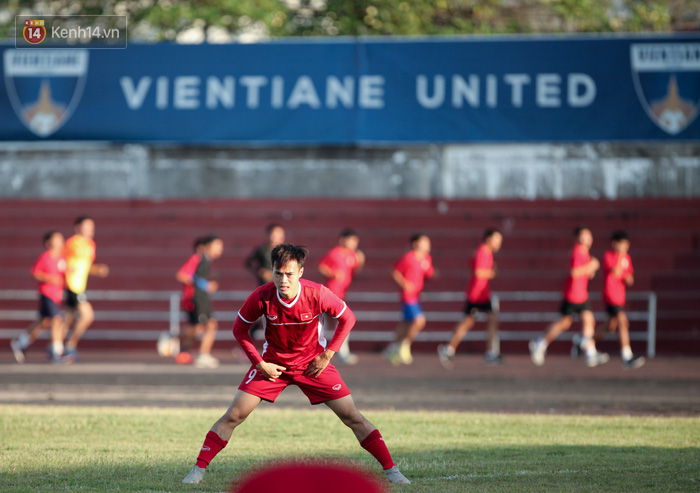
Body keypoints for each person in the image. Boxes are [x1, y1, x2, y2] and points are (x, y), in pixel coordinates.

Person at [182, 243, 410, 485]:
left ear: (300, 272)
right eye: (278, 273)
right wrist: (260, 364)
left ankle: (392, 471)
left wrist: (328, 354)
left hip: (313, 365)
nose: (284, 280)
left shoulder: (317, 293)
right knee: (233, 415)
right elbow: (239, 329)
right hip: (272, 366)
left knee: (352, 416)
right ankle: (197, 470)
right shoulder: (261, 296)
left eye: (289, 274)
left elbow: (348, 318)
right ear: (272, 271)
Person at [529, 226, 609, 368]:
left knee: (587, 320)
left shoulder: (585, 253)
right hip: (573, 295)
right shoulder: (577, 251)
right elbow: (574, 272)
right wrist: (591, 266)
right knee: (565, 323)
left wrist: (592, 268)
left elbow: (587, 274)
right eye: (584, 236)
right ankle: (541, 343)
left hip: (581, 295)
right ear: (577, 238)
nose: (587, 239)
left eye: (589, 236)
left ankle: (589, 351)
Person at [438, 229, 503, 369]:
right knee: (471, 322)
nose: (499, 243)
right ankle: (450, 349)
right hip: (477, 295)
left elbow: (471, 264)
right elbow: (479, 272)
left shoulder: (483, 252)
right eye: (497, 239)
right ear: (488, 239)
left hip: (482, 293)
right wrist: (492, 272)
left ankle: (450, 349)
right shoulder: (483, 252)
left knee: (484, 320)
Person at [11, 231, 67, 364]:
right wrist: (49, 278)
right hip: (47, 293)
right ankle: (56, 353)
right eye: (56, 239)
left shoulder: (61, 258)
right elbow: (35, 273)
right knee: (56, 320)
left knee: (44, 322)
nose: (60, 241)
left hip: (56, 296)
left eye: (61, 238)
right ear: (48, 243)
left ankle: (20, 342)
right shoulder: (46, 257)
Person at [594, 230, 645, 370]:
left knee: (610, 326)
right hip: (610, 295)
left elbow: (630, 279)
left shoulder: (626, 258)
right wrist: (621, 257)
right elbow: (616, 272)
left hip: (620, 297)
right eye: (623, 244)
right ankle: (627, 357)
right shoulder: (609, 255)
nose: (625, 247)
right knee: (623, 322)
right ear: (615, 244)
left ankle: (586, 343)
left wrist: (626, 272)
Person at [61, 217, 109, 364]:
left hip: (80, 286)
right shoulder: (72, 243)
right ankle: (69, 347)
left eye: (92, 226)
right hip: (71, 286)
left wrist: (97, 270)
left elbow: (86, 267)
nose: (90, 229)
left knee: (67, 319)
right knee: (87, 316)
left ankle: (57, 348)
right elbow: (60, 261)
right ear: (77, 227)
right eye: (87, 226)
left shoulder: (90, 245)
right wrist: (65, 269)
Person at [384, 233, 434, 366]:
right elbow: (394, 271)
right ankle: (405, 345)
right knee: (419, 321)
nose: (428, 244)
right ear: (416, 244)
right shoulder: (408, 257)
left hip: (416, 296)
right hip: (408, 296)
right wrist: (404, 283)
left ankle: (392, 348)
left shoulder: (426, 258)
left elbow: (429, 273)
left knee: (406, 323)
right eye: (425, 242)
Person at [175, 235, 224, 368]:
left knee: (201, 326)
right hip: (195, 298)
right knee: (209, 325)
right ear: (207, 246)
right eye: (217, 245)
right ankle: (201, 354)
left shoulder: (206, 261)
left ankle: (180, 346)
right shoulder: (198, 258)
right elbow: (181, 275)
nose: (221, 248)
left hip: (202, 298)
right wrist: (203, 285)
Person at [318, 229, 366, 365]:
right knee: (344, 321)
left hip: (341, 294)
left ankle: (330, 351)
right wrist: (333, 273)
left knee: (329, 323)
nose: (354, 243)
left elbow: (354, 272)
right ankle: (342, 353)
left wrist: (360, 262)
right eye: (351, 240)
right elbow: (321, 266)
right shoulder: (335, 253)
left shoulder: (352, 255)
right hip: (332, 294)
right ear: (343, 240)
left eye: (355, 241)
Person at [245, 223, 286, 339]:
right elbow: (249, 263)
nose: (276, 236)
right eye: (273, 233)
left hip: (282, 286)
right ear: (268, 235)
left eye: (279, 233)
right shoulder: (262, 250)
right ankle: (247, 342)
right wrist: (260, 271)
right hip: (265, 287)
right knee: (259, 315)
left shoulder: (286, 251)